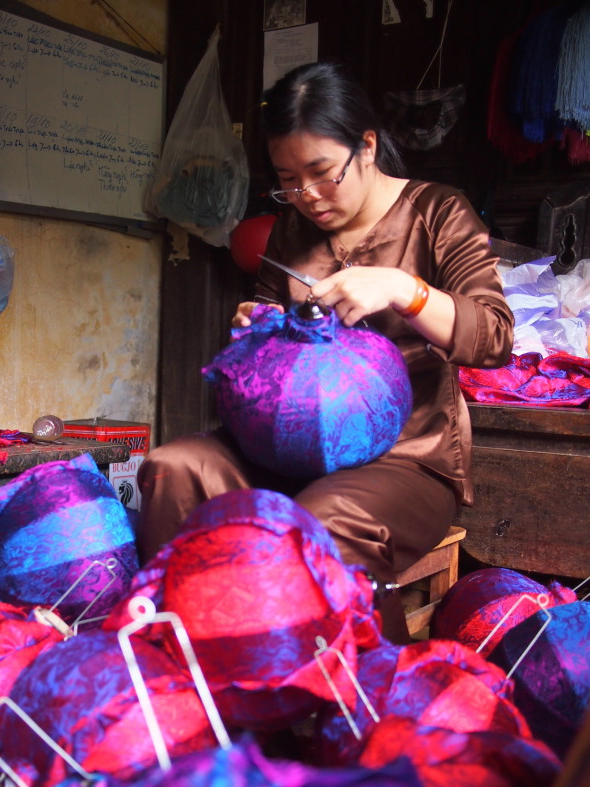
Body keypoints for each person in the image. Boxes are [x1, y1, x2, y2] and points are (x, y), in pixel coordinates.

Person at [137, 61, 514, 643]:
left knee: (323, 519)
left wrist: (403, 290)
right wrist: (254, 330)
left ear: (366, 147)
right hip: (289, 447)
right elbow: (255, 335)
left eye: (320, 172)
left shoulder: (437, 212)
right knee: (172, 469)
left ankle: (362, 701)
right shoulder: (292, 230)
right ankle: (187, 656)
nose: (307, 196)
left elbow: (494, 336)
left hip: (407, 457)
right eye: (288, 179)